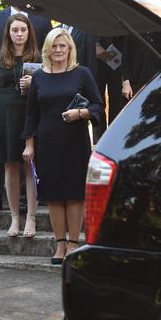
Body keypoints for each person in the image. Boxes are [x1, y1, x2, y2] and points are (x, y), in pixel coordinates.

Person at [22, 28, 103, 264]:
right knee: (55, 196)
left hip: (75, 142)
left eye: (63, 46)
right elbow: (31, 114)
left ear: (70, 49)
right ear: (47, 49)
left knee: (75, 195)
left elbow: (99, 105)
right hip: (47, 142)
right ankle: (59, 245)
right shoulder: (39, 77)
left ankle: (74, 244)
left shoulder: (82, 73)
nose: (58, 50)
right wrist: (29, 144)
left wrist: (81, 113)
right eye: (54, 46)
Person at [0, 0, 52, 216]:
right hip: (5, 97)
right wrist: (0, 76)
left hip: (32, 102)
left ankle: (34, 198)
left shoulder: (41, 20)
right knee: (0, 150)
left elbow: (47, 55)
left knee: (32, 157)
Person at [0, 14, 40, 238]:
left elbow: (48, 89)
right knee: (10, 166)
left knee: (30, 167)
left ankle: (31, 217)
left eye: (23, 30)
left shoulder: (39, 57)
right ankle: (14, 218)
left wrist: (34, 82)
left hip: (31, 115)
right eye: (15, 30)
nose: (19, 34)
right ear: (8, 33)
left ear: (29, 32)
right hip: (6, 116)